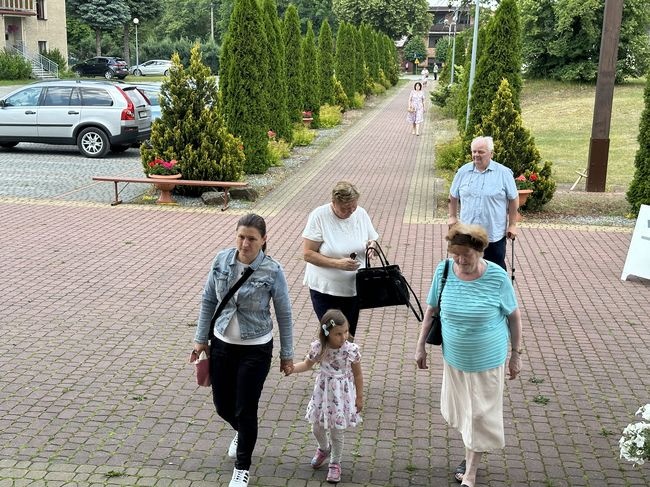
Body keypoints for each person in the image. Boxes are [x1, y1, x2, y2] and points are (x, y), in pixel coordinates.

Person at [414, 223, 522, 487]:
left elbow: (514, 317)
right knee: (465, 413)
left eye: (467, 255)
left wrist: (515, 355)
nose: (461, 261)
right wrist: (420, 346)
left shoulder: (496, 277)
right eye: (455, 255)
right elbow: (430, 311)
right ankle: (469, 456)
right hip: (455, 360)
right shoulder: (444, 270)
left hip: (488, 360)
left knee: (478, 416)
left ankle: (471, 473)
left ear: (481, 251)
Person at [193, 213, 294, 487]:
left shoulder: (272, 270)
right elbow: (208, 299)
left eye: (251, 238)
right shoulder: (221, 260)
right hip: (222, 343)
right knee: (222, 405)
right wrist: (200, 338)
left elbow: (284, 312)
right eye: (241, 236)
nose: (245, 243)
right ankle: (242, 431)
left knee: (246, 407)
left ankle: (242, 467)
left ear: (263, 240)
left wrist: (287, 354)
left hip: (256, 348)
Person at [286, 309, 363, 484]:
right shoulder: (320, 348)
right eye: (338, 334)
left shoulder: (350, 350)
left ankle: (335, 463)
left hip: (341, 395)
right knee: (316, 428)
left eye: (346, 332)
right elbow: (306, 364)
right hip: (323, 394)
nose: (343, 337)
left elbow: (358, 375)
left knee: (337, 432)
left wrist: (360, 397)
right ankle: (323, 448)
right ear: (327, 333)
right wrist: (292, 369)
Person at [302, 181, 379, 341]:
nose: (350, 211)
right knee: (333, 336)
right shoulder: (319, 216)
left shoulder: (360, 214)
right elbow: (308, 254)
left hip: (353, 289)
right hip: (325, 291)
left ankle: (346, 365)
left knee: (348, 336)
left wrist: (372, 246)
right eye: (345, 208)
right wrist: (338, 264)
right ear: (334, 203)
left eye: (353, 207)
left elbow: (372, 239)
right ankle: (329, 365)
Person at [448, 136, 518, 270]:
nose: (476, 155)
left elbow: (513, 199)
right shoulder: (463, 172)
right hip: (468, 234)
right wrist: (452, 216)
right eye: (474, 151)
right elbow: (453, 195)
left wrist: (512, 225)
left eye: (481, 152)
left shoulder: (503, 173)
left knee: (494, 271)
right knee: (467, 269)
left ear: (491, 153)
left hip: (493, 235)